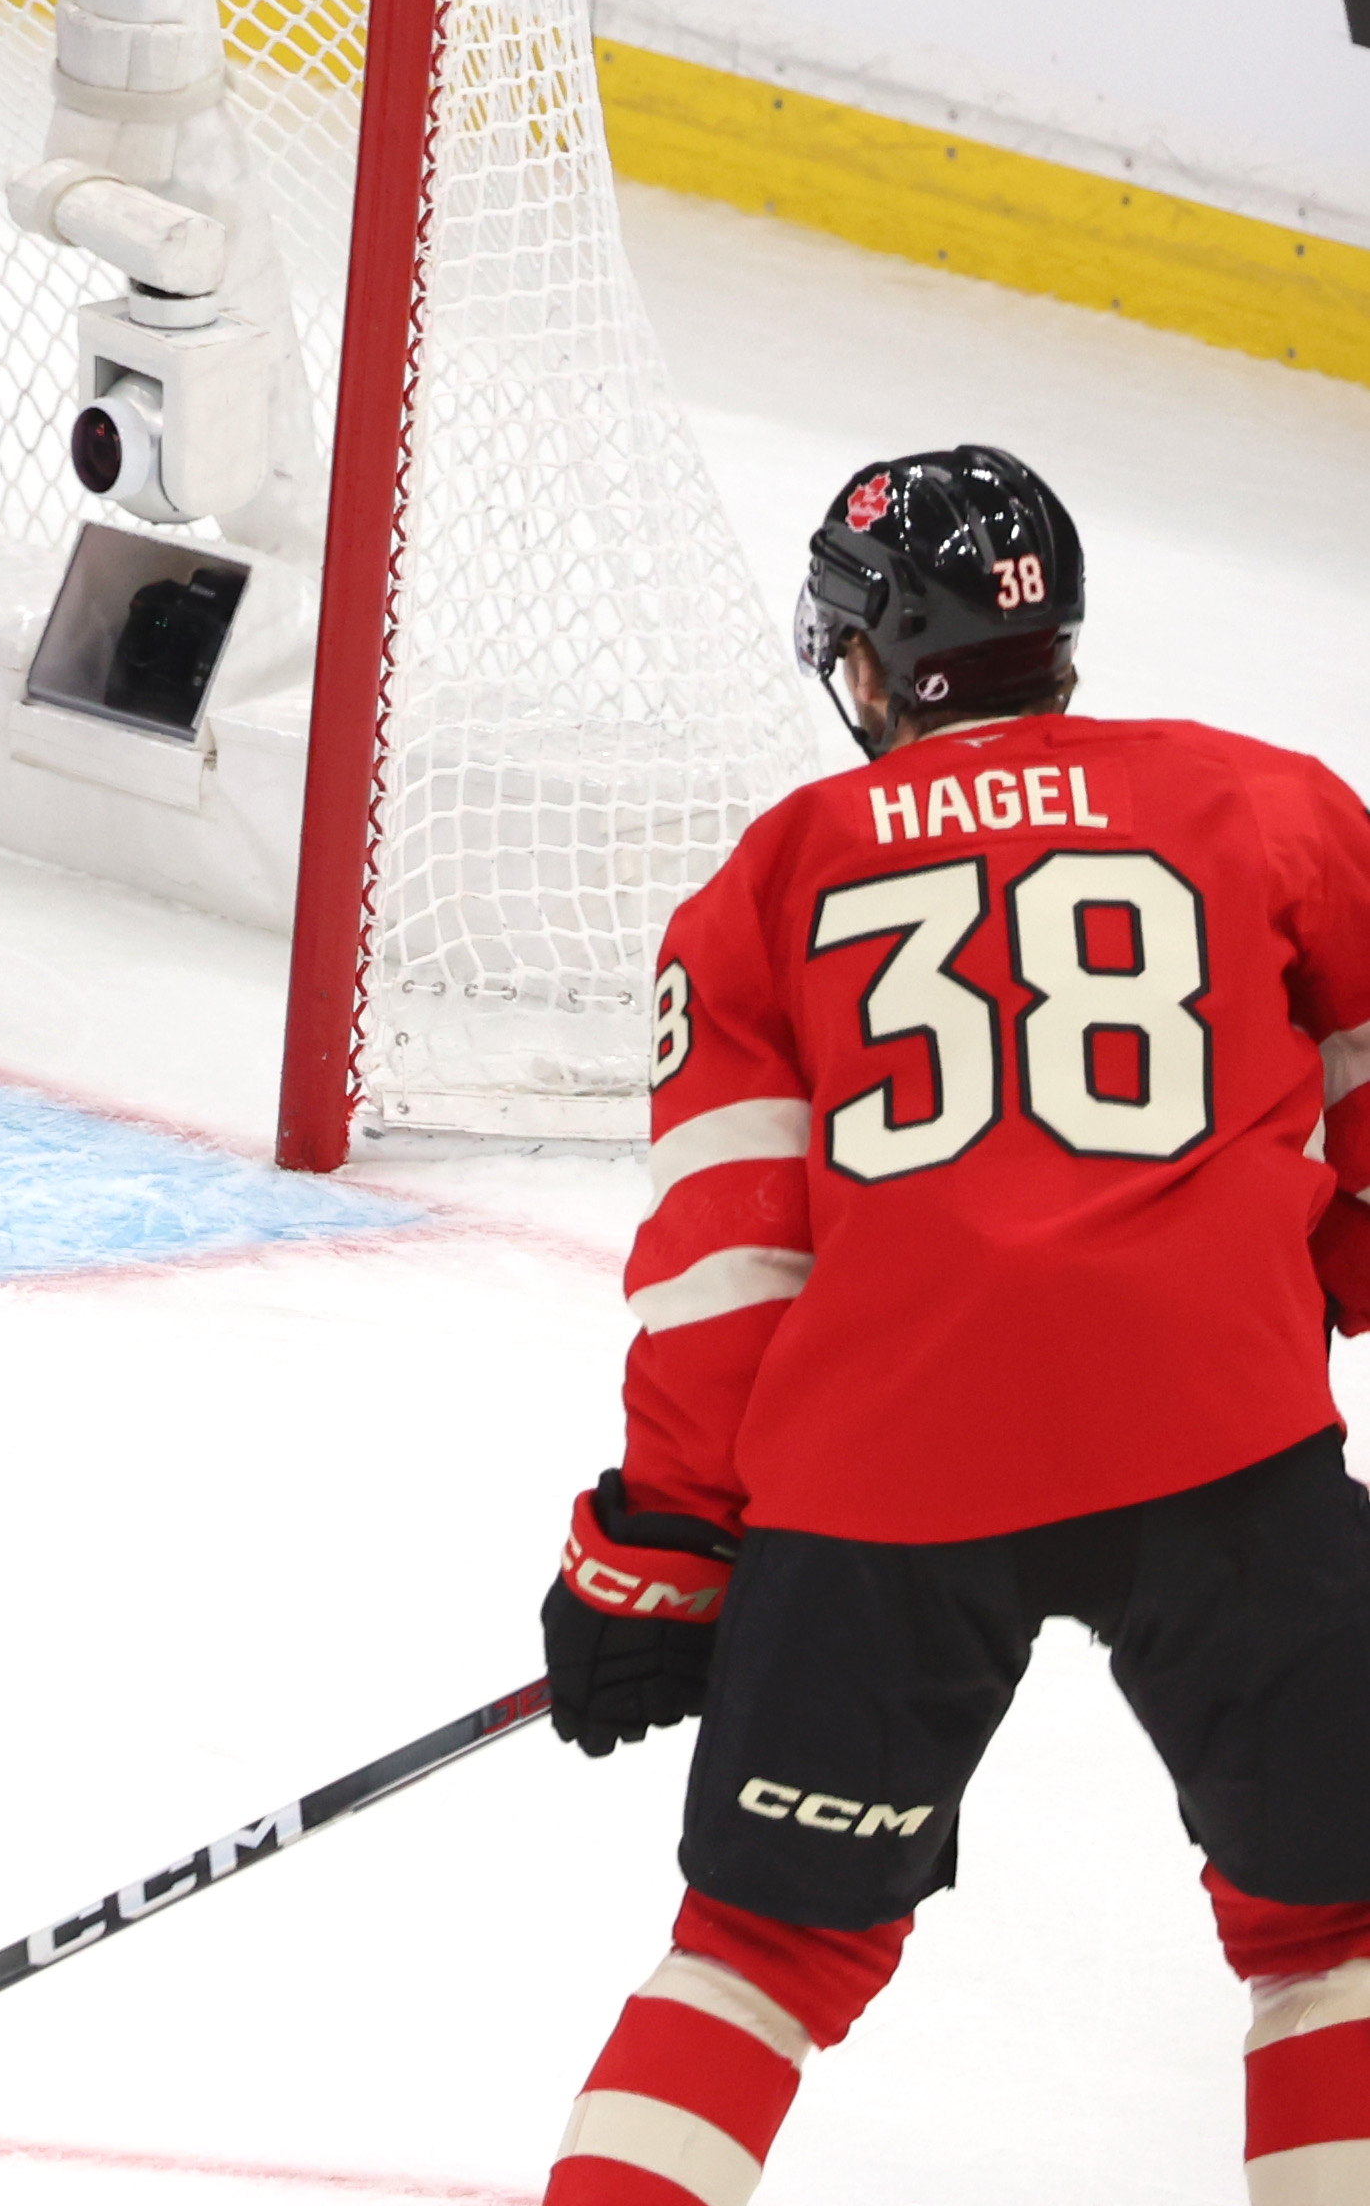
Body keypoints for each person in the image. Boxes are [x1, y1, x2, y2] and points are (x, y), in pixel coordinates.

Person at [526, 447, 1370, 2200]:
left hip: (886, 1486)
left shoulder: (772, 877)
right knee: (1334, 1925)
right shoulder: (1271, 804)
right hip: (1223, 1445)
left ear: (875, 658)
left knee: (760, 1953)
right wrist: (1308, 1282)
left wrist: (663, 1550)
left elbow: (723, 1273)